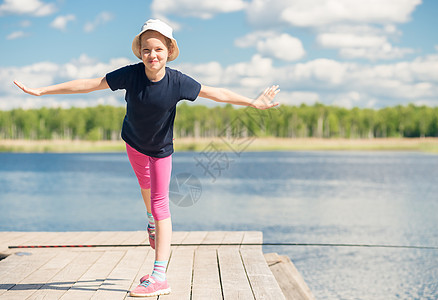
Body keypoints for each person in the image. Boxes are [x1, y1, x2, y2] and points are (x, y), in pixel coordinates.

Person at [14, 19, 280, 297]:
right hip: (134, 145)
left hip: (161, 151)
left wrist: (254, 102)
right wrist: (43, 90)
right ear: (140, 53)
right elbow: (90, 84)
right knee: (146, 189)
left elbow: (218, 93)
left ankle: (159, 276)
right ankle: (150, 221)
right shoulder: (130, 75)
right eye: (146, 50)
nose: (152, 55)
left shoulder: (178, 82)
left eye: (158, 49)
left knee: (161, 204)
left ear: (168, 50)